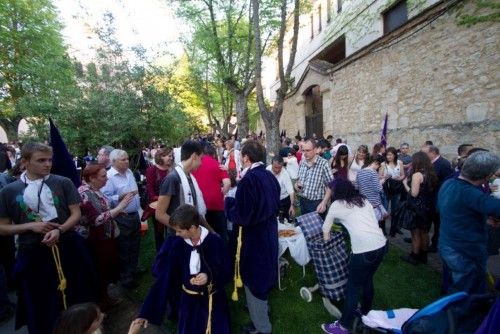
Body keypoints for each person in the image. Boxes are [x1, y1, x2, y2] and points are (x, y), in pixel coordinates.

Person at [0, 142, 96, 334]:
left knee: (76, 295)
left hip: (68, 247)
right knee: (42, 304)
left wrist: (60, 230)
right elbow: (2, 227)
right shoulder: (9, 191)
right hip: (34, 255)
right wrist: (30, 226)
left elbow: (75, 214)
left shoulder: (63, 182)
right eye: (41, 160)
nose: (47, 164)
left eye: (49, 160)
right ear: (25, 162)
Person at [136, 204, 231, 333]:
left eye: (180, 231)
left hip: (213, 301)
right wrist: (146, 312)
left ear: (192, 228)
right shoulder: (175, 244)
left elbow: (226, 271)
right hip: (188, 302)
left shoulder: (214, 242)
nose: (177, 234)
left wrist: (209, 276)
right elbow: (163, 278)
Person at [225, 139, 280, 334]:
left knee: (255, 280)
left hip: (255, 239)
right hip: (270, 233)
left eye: (241, 155)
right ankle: (261, 312)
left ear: (246, 158)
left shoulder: (250, 180)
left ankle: (262, 327)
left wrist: (229, 204)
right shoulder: (269, 176)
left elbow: (243, 217)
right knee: (263, 276)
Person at [321, 179, 387, 334]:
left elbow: (326, 229)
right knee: (368, 279)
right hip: (381, 244)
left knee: (353, 287)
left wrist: (327, 242)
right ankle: (365, 312)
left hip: (364, 250)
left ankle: (343, 325)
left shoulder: (337, 205)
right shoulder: (363, 199)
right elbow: (373, 219)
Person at [438, 151, 500, 294]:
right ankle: (458, 314)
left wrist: (485, 220)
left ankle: (448, 309)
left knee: (453, 286)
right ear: (487, 176)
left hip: (448, 244)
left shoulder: (449, 183)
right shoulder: (471, 193)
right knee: (467, 293)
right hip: (464, 251)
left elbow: (457, 211)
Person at [78, 164, 134, 306]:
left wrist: (116, 211)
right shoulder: (85, 193)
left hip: (106, 237)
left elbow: (104, 210)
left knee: (106, 270)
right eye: (103, 176)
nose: (106, 179)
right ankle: (100, 304)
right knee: (99, 271)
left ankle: (105, 299)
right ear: (92, 178)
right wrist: (119, 208)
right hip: (96, 240)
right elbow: (95, 220)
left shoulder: (96, 190)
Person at [101, 149, 142, 289]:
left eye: (127, 158)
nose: (127, 161)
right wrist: (119, 197)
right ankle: (126, 277)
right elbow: (104, 198)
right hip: (121, 216)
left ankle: (134, 268)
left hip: (134, 214)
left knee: (135, 244)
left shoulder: (129, 172)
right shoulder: (109, 176)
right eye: (123, 160)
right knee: (124, 247)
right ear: (113, 162)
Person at [155, 140, 206, 234]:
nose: (201, 163)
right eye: (201, 158)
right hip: (178, 236)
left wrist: (210, 231)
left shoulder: (190, 177)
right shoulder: (172, 178)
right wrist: (182, 229)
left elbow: (196, 209)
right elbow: (160, 214)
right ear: (194, 156)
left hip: (191, 233)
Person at [401, 152, 438, 265]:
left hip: (418, 208)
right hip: (428, 206)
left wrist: (405, 184)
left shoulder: (417, 175)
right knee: (424, 232)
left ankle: (414, 255)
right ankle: (423, 255)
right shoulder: (430, 173)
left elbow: (414, 193)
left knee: (415, 232)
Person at [192, 144, 230, 242]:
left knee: (202, 235)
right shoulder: (218, 164)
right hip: (217, 204)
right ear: (213, 153)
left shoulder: (194, 165)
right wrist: (222, 194)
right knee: (220, 234)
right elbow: (227, 183)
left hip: (199, 206)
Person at [425, 145, 454, 252]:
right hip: (429, 199)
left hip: (438, 199)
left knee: (437, 223)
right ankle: (423, 240)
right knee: (427, 221)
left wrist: (432, 185)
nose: (424, 155)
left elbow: (448, 181)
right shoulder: (429, 163)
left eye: (426, 153)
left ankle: (435, 244)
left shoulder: (444, 164)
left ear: (433, 153)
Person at [143, 148, 173, 251]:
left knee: (172, 229)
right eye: (168, 156)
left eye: (171, 155)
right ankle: (161, 253)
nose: (171, 158)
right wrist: (164, 198)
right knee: (159, 232)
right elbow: (151, 192)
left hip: (172, 205)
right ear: (160, 157)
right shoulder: (152, 170)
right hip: (158, 206)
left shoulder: (172, 169)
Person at [296, 139, 333, 216]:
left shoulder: (323, 163)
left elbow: (331, 185)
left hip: (316, 203)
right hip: (303, 201)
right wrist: (296, 185)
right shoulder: (302, 162)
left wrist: (324, 203)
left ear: (315, 150)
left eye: (308, 150)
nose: (305, 153)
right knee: (304, 226)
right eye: (303, 151)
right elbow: (298, 181)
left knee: (316, 228)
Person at [379, 147, 405, 237]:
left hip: (396, 189)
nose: (389, 156)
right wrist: (385, 176)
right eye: (387, 154)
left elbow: (403, 175)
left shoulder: (399, 163)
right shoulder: (383, 164)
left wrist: (399, 178)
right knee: (384, 209)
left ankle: (393, 230)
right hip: (386, 189)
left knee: (395, 210)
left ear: (394, 155)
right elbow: (379, 176)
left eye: (390, 154)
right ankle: (382, 229)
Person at [356, 155, 387, 225]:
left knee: (365, 224)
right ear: (376, 163)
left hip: (363, 201)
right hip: (373, 203)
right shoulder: (373, 172)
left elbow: (356, 187)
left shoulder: (360, 171)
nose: (378, 167)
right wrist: (382, 181)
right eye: (379, 165)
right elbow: (378, 189)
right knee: (374, 225)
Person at [267, 156, 295, 222]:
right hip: (271, 200)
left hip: (283, 201)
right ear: (271, 165)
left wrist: (292, 205)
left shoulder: (285, 174)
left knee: (284, 221)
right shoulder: (267, 169)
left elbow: (291, 192)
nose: (277, 170)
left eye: (280, 168)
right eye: (275, 167)